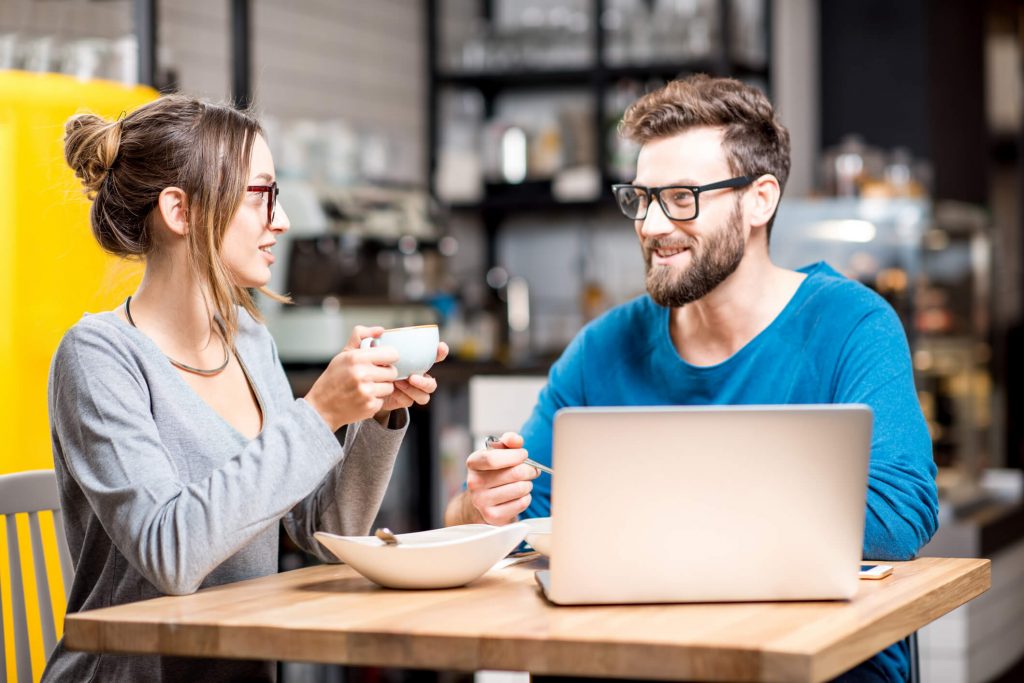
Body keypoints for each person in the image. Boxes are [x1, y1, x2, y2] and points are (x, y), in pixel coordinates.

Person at [445, 75, 937, 682]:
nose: (651, 226)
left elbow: (897, 516)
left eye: (681, 198)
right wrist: (480, 510)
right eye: (641, 198)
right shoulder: (602, 348)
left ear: (760, 200)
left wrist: (653, 516)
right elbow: (519, 530)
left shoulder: (851, 324)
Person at [43, 95, 447, 682]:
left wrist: (369, 419)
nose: (280, 220)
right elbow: (170, 553)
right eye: (261, 196)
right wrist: (316, 414)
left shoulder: (250, 341)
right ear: (179, 210)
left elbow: (322, 529)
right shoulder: (98, 358)